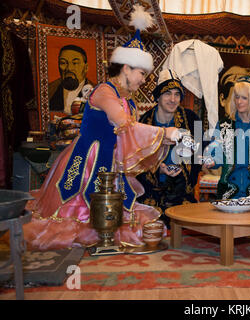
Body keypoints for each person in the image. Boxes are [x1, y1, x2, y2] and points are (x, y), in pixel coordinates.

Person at [23, 4, 181, 251]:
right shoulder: (105, 92)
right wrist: (163, 133)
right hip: (87, 159)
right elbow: (124, 125)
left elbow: (127, 132)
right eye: (141, 72)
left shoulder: (128, 97)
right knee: (79, 212)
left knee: (116, 209)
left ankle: (106, 232)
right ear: (126, 68)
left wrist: (164, 140)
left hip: (110, 159)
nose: (143, 79)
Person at [136, 69, 203, 228]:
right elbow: (137, 159)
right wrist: (158, 169)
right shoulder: (144, 122)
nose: (173, 99)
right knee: (148, 223)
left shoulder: (193, 119)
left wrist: (185, 166)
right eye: (167, 94)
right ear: (158, 97)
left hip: (181, 190)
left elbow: (200, 153)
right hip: (151, 190)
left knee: (188, 222)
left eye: (177, 94)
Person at [48, 45, 95, 114]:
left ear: (86, 68)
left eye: (75, 63)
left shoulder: (96, 92)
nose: (69, 68)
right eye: (63, 63)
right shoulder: (50, 90)